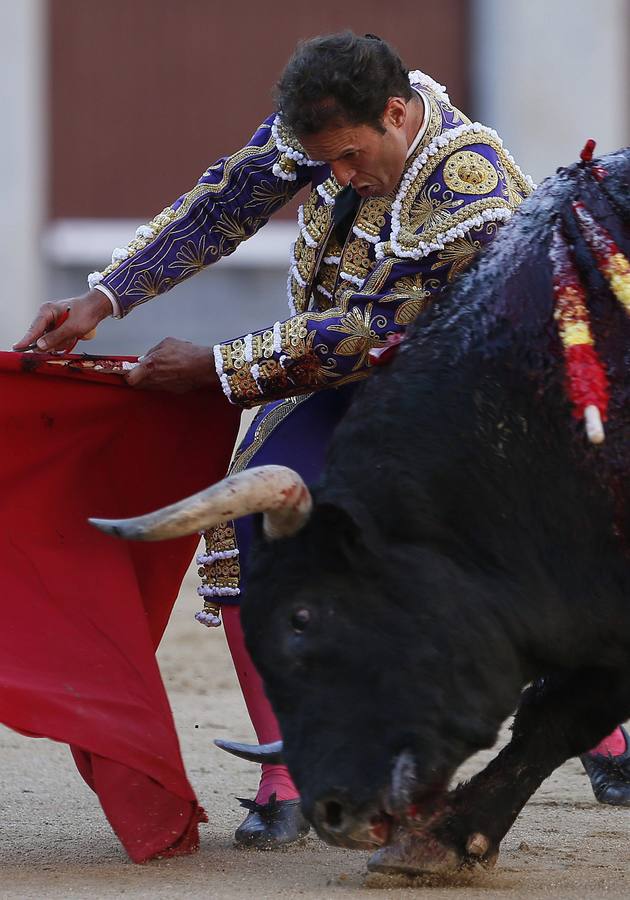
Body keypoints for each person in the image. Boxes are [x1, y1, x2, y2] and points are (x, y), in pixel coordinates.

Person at [14, 31, 627, 849]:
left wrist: (217, 366)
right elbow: (223, 204)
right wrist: (106, 298)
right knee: (246, 518)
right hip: (334, 382)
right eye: (321, 161)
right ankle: (288, 771)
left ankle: (596, 724)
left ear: (399, 116)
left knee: (485, 558)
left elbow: (376, 330)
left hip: (470, 405)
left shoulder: (472, 190)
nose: (333, 176)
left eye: (346, 158)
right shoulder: (321, 126)